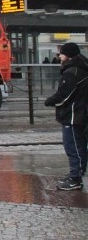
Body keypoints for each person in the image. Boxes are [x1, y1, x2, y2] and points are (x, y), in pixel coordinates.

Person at [44, 42, 88, 191]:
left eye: (61, 53)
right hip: (80, 114)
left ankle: (75, 178)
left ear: (68, 55)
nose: (59, 56)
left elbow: (64, 95)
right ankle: (77, 174)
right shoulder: (81, 69)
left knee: (73, 146)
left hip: (73, 115)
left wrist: (50, 101)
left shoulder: (71, 72)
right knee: (80, 145)